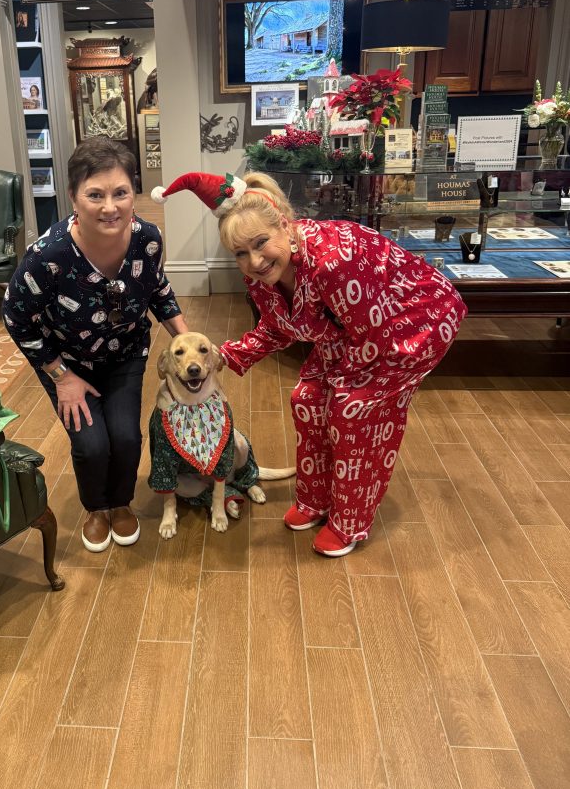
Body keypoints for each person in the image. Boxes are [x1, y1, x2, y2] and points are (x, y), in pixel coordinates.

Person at [152, 170, 466, 557]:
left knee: (351, 410)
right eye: (240, 253)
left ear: (285, 226)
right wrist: (226, 356)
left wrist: (340, 387)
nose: (254, 260)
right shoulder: (261, 276)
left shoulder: (332, 261)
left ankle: (349, 522)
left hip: (411, 322)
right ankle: (315, 500)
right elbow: (278, 327)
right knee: (306, 398)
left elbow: (371, 336)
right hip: (350, 331)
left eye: (260, 243)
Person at [3, 137, 188, 553]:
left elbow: (157, 288)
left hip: (125, 352)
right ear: (73, 197)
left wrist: (188, 339)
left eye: (121, 193)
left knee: (124, 437)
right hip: (64, 362)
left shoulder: (148, 239)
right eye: (95, 195)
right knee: (91, 443)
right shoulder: (47, 256)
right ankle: (95, 509)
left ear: (133, 194)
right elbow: (16, 317)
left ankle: (120, 503)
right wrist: (61, 378)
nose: (110, 207)